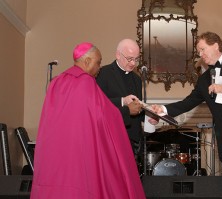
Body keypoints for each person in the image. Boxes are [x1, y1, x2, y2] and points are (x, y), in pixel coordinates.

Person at [151, 32, 222, 199]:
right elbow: (188, 102)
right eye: (198, 51)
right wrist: (163, 109)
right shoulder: (204, 80)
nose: (200, 54)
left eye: (202, 49)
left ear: (216, 45)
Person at [30, 42, 146, 199]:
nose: (99, 67)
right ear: (87, 62)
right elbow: (103, 116)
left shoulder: (56, 82)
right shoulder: (86, 82)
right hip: (79, 150)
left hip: (56, 150)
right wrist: (128, 110)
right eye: (98, 62)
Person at [96, 39, 144, 158]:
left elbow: (137, 110)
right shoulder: (102, 74)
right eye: (130, 59)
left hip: (133, 141)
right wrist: (122, 101)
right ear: (118, 55)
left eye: (136, 59)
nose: (133, 63)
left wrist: (150, 116)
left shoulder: (137, 79)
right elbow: (97, 104)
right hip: (111, 138)